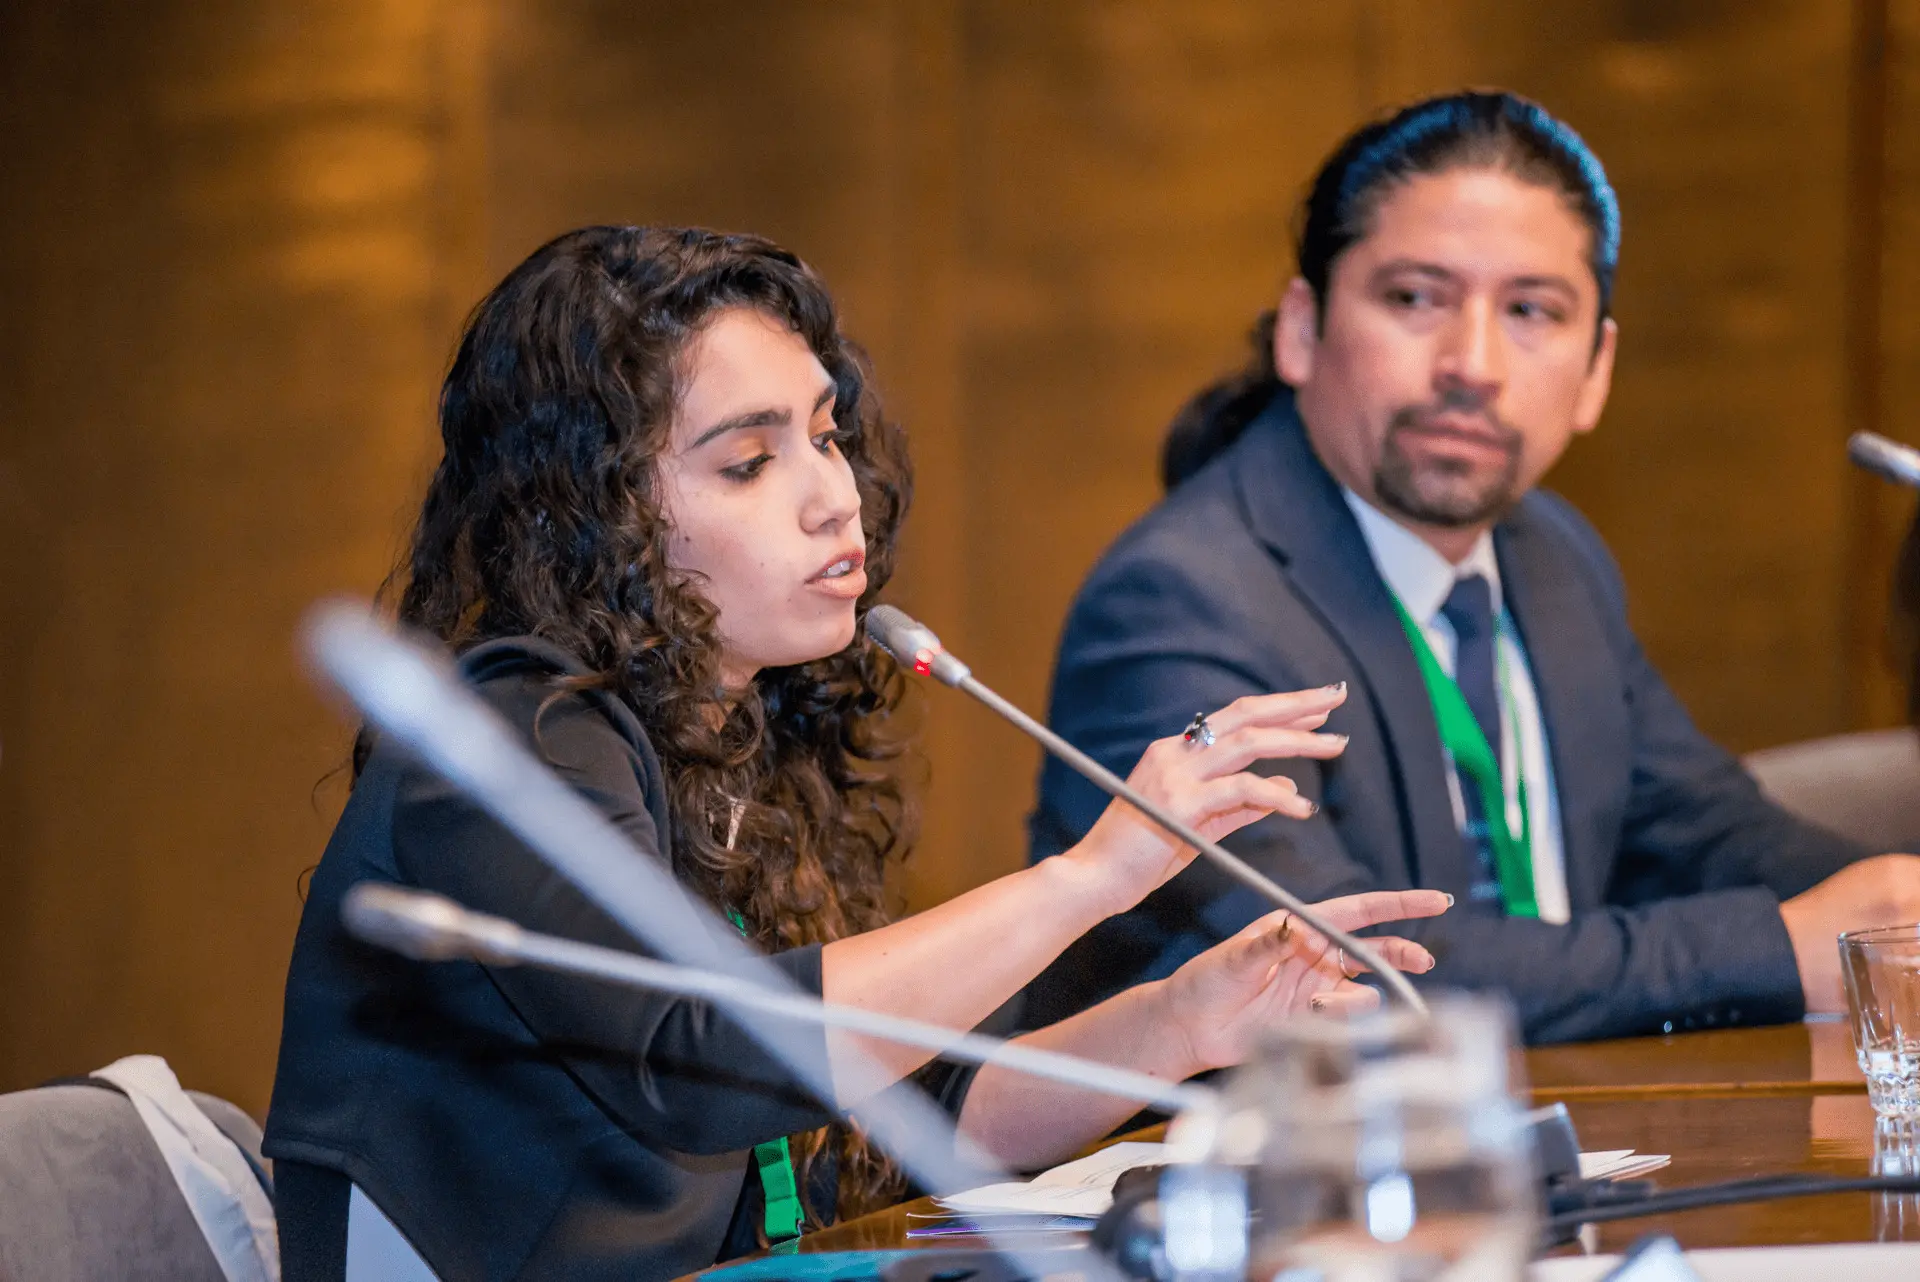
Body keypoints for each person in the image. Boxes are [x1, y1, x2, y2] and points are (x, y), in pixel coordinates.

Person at [263, 225, 1448, 1282]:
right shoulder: (502, 743)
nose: (835, 497)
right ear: (592, 512)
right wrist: (1092, 877)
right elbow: (695, 1057)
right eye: (748, 462)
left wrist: (1177, 1025)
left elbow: (902, 1123)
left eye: (826, 436)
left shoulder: (736, 737)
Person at [1024, 90, 1920, 1048]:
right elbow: (1330, 968)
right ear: (1301, 328)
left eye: (1531, 310)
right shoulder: (1181, 601)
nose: (1474, 364)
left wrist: (1891, 910)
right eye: (1416, 298)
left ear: (1597, 371)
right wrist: (1775, 948)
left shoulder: (1552, 553)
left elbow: (1701, 832)